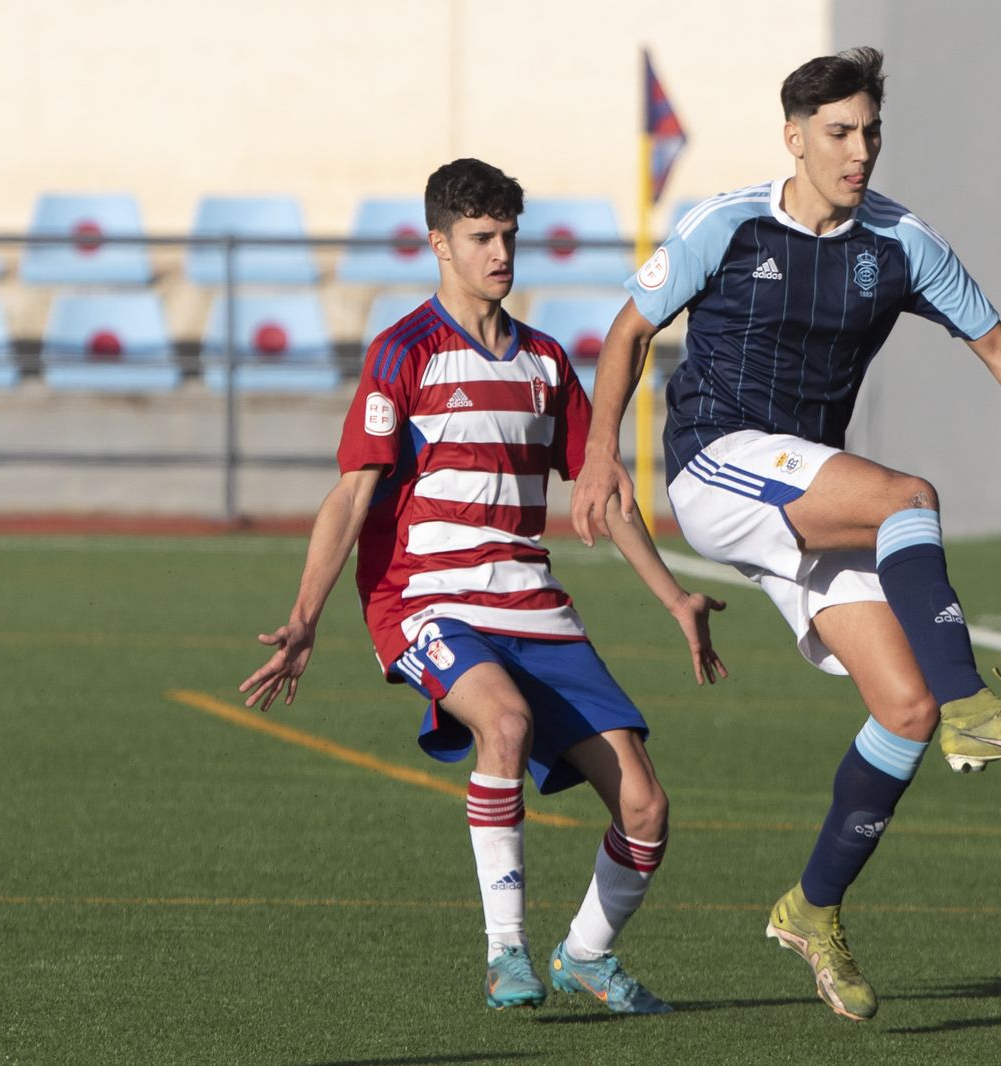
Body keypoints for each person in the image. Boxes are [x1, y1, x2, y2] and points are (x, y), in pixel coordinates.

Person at [570, 47, 1001, 1021]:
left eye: (871, 133)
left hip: (806, 489)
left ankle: (811, 909)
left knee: (904, 708)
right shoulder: (727, 225)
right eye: (839, 133)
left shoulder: (901, 242)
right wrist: (601, 452)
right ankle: (975, 701)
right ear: (794, 137)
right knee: (907, 496)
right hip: (715, 462)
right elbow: (628, 330)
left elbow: (999, 347)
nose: (859, 151)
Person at [240, 158, 726, 1016]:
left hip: (532, 603)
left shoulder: (544, 362)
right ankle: (506, 953)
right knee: (503, 723)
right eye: (481, 238)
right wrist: (304, 617)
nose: (501, 253)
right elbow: (351, 493)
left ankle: (585, 955)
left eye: (508, 236)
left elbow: (604, 493)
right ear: (439, 244)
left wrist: (674, 596)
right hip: (425, 599)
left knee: (646, 806)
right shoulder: (405, 353)